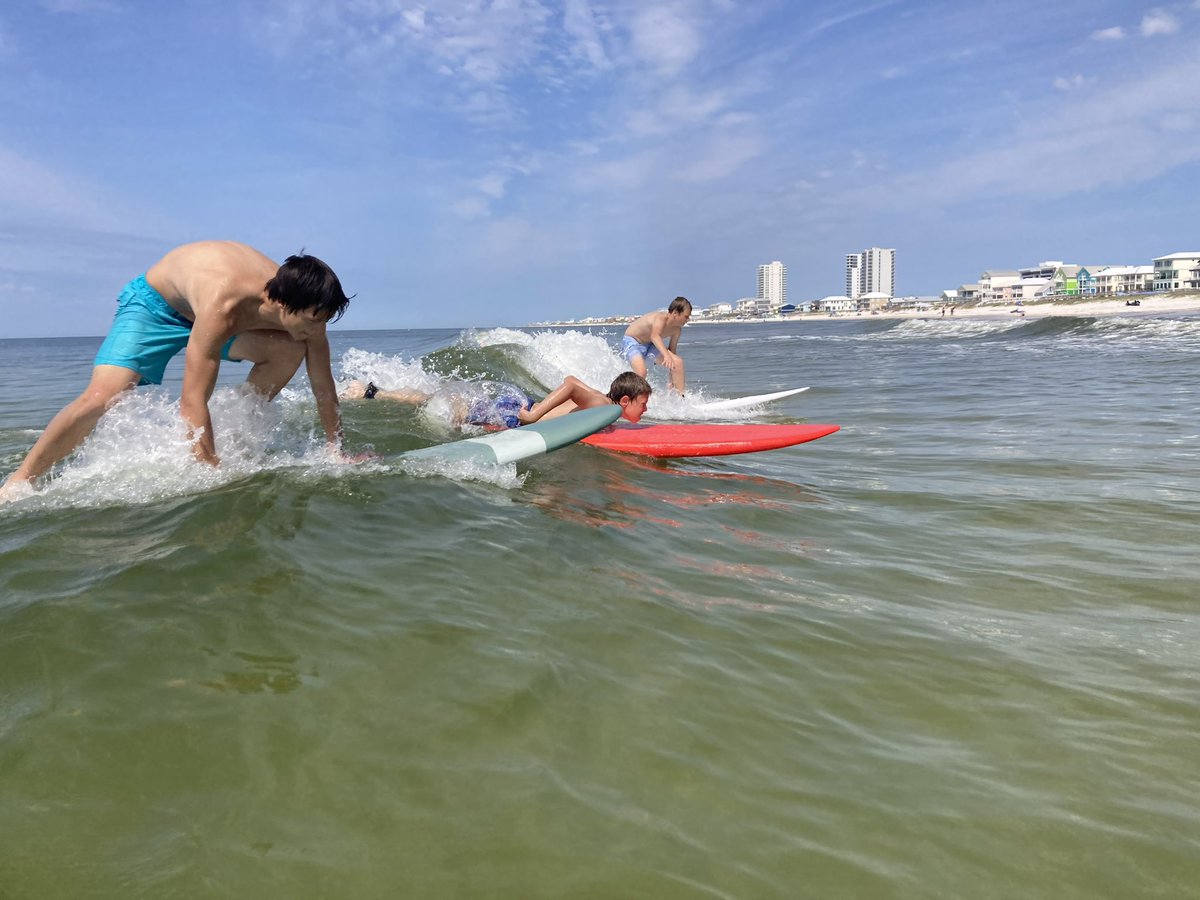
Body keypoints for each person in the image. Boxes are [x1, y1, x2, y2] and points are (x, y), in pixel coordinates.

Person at [0, 240, 352, 501]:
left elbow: (324, 386)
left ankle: (237, 431)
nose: (317, 328)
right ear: (281, 303)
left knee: (290, 348)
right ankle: (19, 480)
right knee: (104, 396)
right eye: (312, 319)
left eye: (322, 319)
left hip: (207, 311)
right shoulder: (225, 303)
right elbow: (191, 398)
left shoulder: (309, 312)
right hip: (156, 306)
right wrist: (212, 473)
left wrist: (335, 449)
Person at [342, 371, 652, 428]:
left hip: (521, 405)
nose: (647, 409)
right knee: (438, 404)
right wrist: (532, 417)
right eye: (643, 403)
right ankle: (375, 393)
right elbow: (570, 383)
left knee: (442, 399)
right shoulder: (602, 406)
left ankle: (377, 391)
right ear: (624, 401)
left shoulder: (603, 407)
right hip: (515, 415)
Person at [622, 296, 691, 394]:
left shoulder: (677, 330)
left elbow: (672, 351)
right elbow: (655, 336)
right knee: (642, 372)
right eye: (686, 316)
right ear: (675, 313)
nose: (688, 319)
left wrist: (671, 378)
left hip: (650, 345)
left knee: (678, 363)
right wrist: (666, 355)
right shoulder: (660, 318)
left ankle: (680, 399)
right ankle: (630, 399)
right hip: (633, 342)